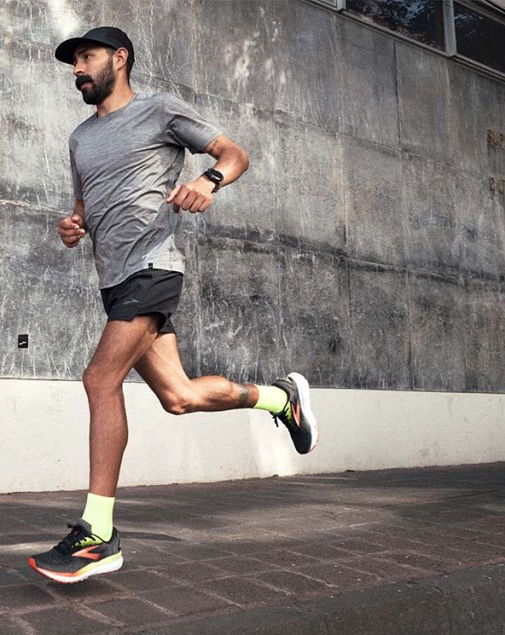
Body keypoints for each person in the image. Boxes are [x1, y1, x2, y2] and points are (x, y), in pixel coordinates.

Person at [28, 27, 319, 584]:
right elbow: (85, 206)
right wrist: (74, 226)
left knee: (98, 380)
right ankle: (280, 399)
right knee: (179, 397)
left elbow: (234, 154)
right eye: (73, 63)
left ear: (120, 58)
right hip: (114, 279)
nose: (77, 70)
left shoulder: (161, 110)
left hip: (153, 267)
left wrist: (209, 180)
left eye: (86, 58)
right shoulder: (80, 139)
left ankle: (98, 533)